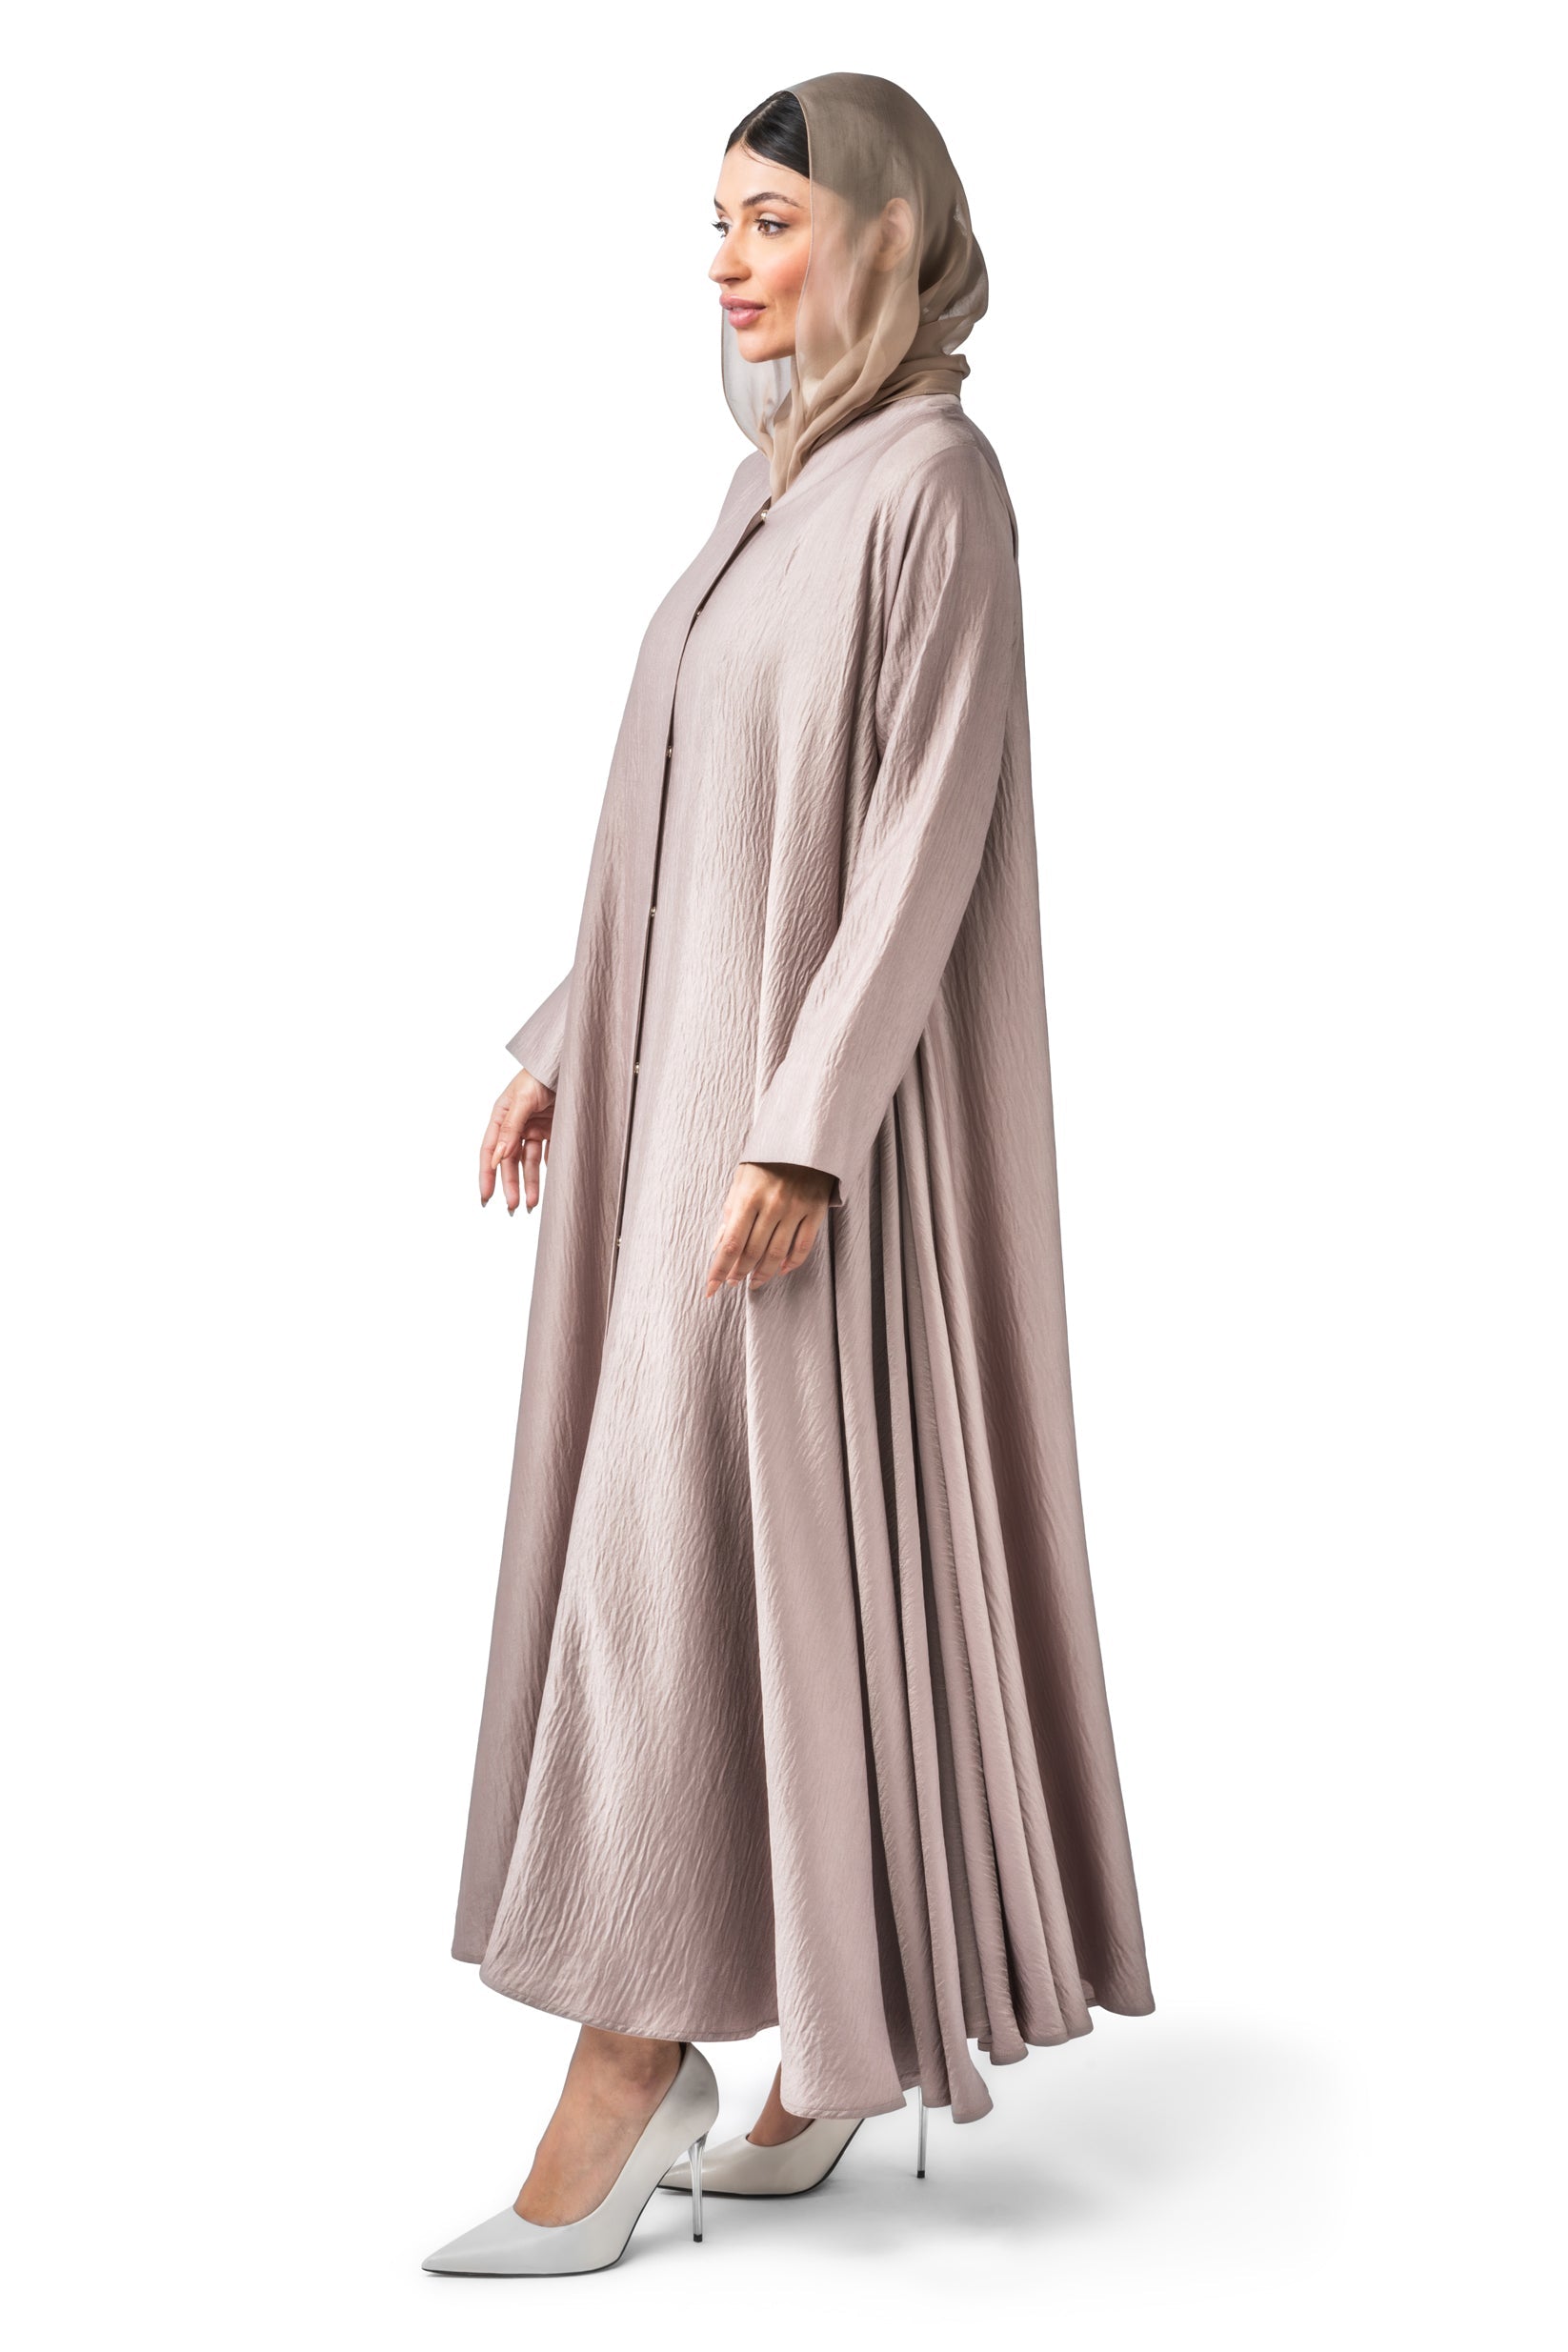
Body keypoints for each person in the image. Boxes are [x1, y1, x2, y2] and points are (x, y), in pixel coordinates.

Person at [423, 70, 1155, 2280]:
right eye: (716, 223)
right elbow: (697, 828)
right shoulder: (769, 491)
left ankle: (624, 2060)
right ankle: (823, 2042)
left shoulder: (934, 487)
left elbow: (924, 833)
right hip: (684, 1130)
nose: (726, 261)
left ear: (887, 233)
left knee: (669, 1563)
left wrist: (803, 1124)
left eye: (768, 218)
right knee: (714, 1566)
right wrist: (569, 1036)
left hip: (791, 1158)